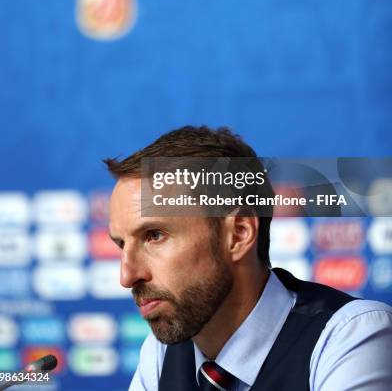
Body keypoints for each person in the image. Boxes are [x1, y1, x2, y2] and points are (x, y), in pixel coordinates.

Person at [106, 126, 392, 390]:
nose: (127, 275)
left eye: (154, 235)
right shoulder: (161, 354)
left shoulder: (351, 337)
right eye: (121, 244)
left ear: (239, 235)